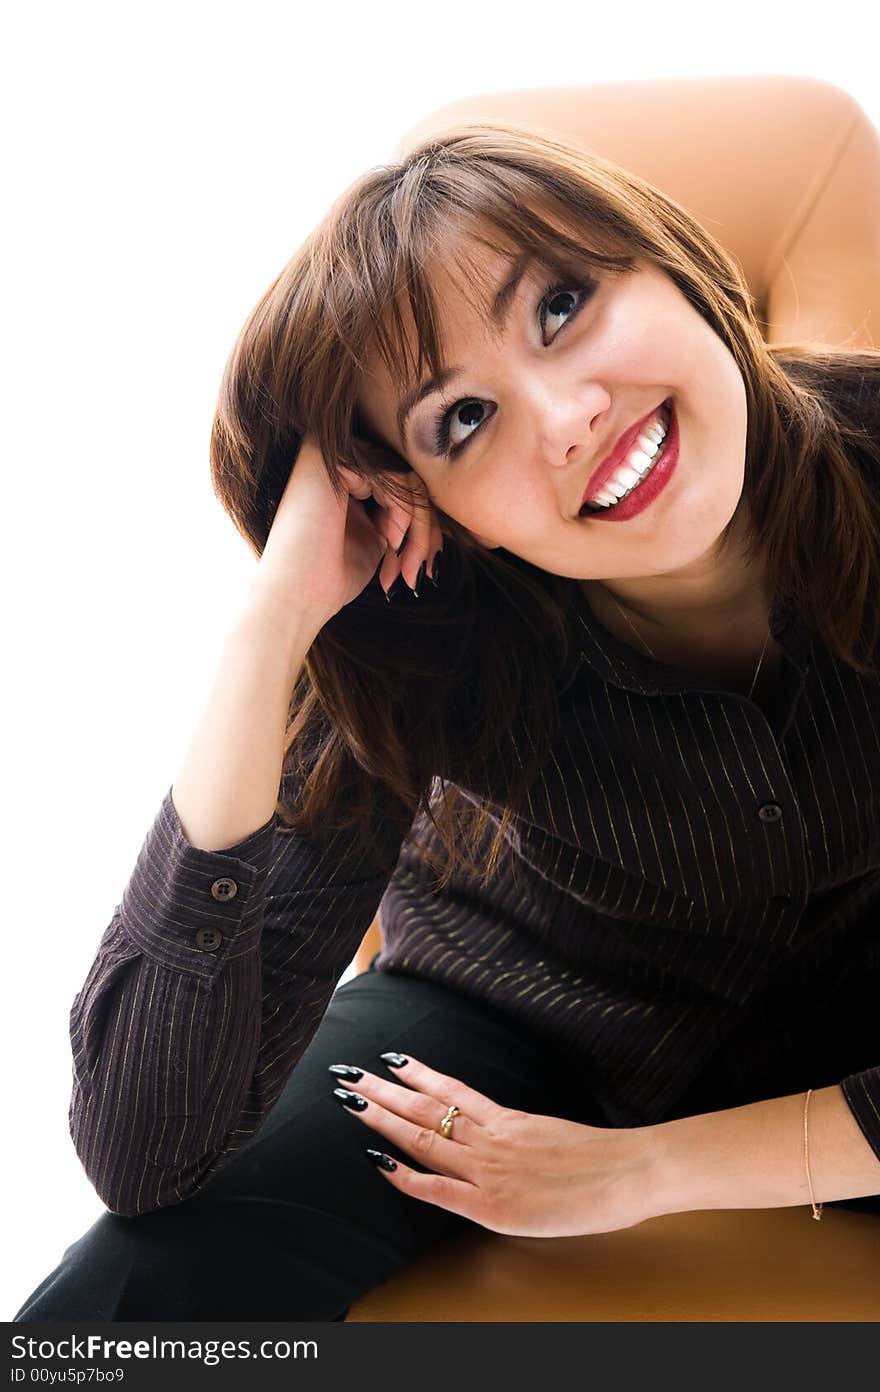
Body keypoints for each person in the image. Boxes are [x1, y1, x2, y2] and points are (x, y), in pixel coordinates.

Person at [15, 117, 880, 1324]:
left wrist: (645, 1171)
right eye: (461, 421)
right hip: (509, 1012)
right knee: (144, 1285)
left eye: (561, 303)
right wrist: (272, 624)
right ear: (435, 506)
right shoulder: (431, 627)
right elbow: (143, 1154)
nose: (566, 412)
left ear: (674, 262)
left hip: (851, 1030)